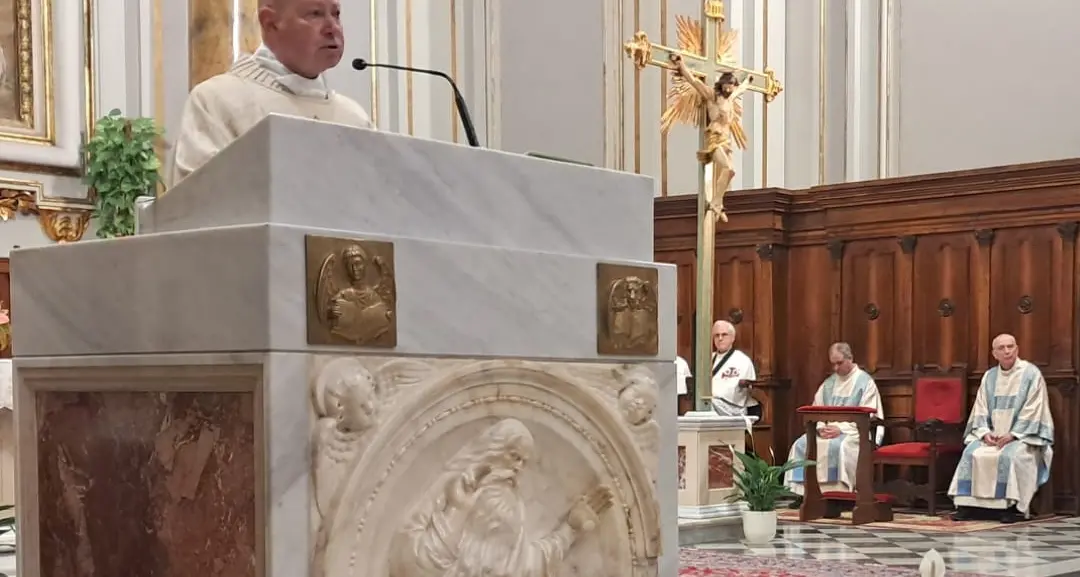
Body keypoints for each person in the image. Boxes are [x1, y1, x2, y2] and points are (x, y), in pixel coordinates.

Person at [168, 0, 374, 188]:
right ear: (270, 23)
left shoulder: (355, 118)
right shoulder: (216, 101)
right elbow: (195, 203)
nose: (332, 28)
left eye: (336, 14)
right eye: (315, 14)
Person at [948, 334, 1054, 523]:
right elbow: (980, 407)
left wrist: (1013, 434)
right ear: (994, 353)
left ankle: (1011, 507)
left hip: (1024, 437)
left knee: (1010, 456)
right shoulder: (990, 377)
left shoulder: (1031, 374)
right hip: (993, 435)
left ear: (1017, 349)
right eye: (1002, 348)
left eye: (1010, 346)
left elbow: (1034, 408)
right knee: (971, 453)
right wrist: (984, 432)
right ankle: (967, 506)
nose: (1007, 351)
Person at [783, 342, 883, 505]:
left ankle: (839, 495)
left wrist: (840, 428)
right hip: (827, 430)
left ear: (850, 358)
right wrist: (822, 428)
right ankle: (804, 494)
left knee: (840, 447)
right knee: (800, 445)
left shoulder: (865, 383)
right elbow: (817, 409)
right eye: (833, 364)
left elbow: (869, 415)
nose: (836, 368)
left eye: (839, 363)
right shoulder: (829, 384)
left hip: (854, 432)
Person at [669, 53, 753, 223]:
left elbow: (741, 90)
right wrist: (682, 65)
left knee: (731, 171)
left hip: (726, 141)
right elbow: (694, 82)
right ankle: (716, 202)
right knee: (728, 169)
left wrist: (748, 82)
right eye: (728, 84)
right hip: (714, 140)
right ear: (722, 84)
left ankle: (717, 202)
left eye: (732, 85)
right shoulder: (712, 96)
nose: (730, 88)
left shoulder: (730, 99)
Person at [708, 320, 758, 418]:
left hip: (733, 408)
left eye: (724, 335)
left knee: (707, 403)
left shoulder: (742, 360)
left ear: (732, 338)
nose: (720, 338)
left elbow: (748, 390)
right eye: (716, 335)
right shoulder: (708, 359)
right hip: (711, 403)